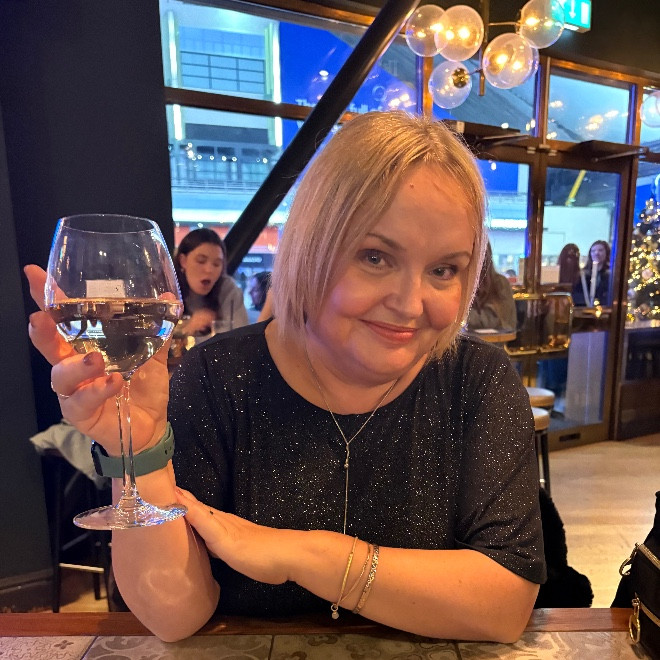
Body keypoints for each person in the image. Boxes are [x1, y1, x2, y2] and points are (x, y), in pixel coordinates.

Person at [26, 111, 545, 643]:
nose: (412, 304)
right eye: (375, 257)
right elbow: (174, 617)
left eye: (444, 270)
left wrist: (304, 555)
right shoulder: (218, 377)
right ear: (310, 246)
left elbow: (503, 607)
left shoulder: (477, 379)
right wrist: (138, 452)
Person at [173, 228, 248, 336]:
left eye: (217, 264)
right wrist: (186, 328)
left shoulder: (227, 289)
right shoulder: (167, 289)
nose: (209, 270)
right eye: (201, 261)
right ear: (183, 261)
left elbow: (241, 336)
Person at [467, 243, 517, 332]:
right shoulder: (466, 281)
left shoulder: (500, 283)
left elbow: (492, 320)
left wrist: (455, 315)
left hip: (495, 339)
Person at [572, 240, 610, 306]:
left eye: (600, 250)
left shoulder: (610, 275)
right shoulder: (583, 275)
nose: (596, 253)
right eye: (593, 251)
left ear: (606, 253)